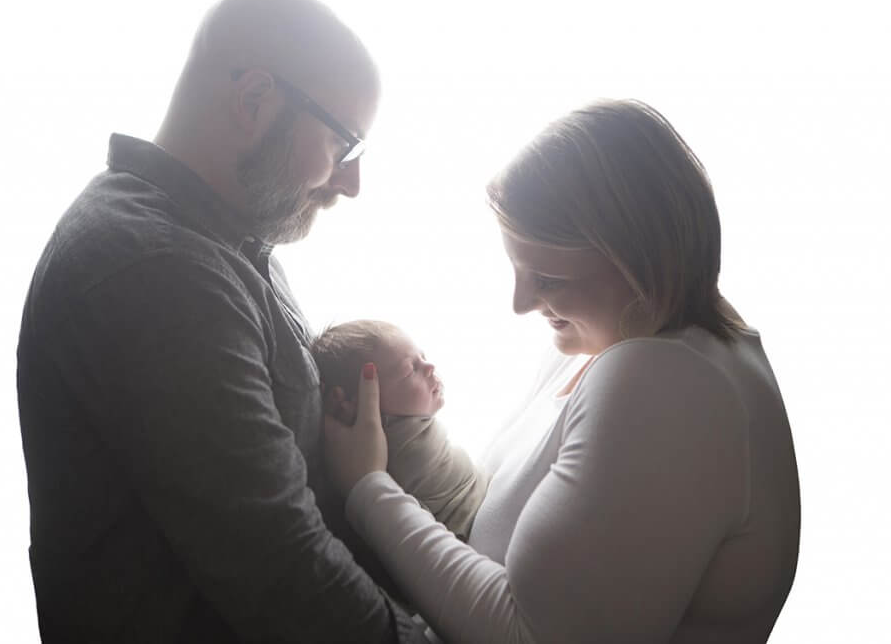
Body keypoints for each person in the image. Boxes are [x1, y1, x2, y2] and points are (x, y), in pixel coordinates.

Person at [16, 0, 429, 643]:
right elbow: (285, 578)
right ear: (254, 101)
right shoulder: (154, 268)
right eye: (342, 144)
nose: (350, 183)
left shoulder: (226, 241)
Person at [324, 100, 801, 643]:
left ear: (643, 260)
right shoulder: (596, 342)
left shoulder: (674, 386)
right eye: (517, 270)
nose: (521, 303)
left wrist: (367, 488)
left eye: (547, 278)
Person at [311, 320, 487, 540]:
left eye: (422, 357)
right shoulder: (398, 443)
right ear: (362, 404)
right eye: (410, 370)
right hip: (466, 530)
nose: (430, 366)